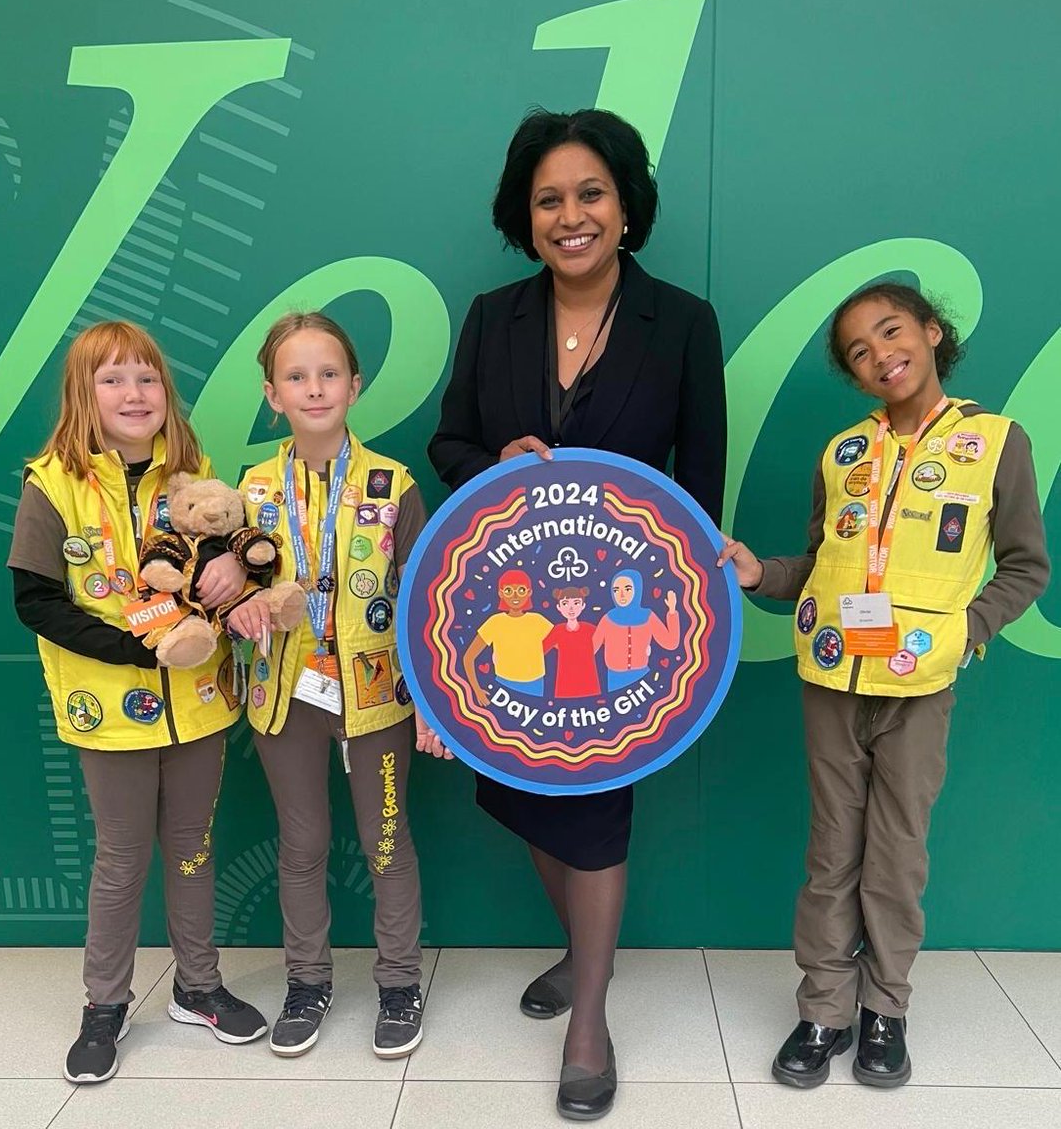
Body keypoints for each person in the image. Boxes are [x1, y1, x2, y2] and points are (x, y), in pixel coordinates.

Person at [429, 108, 726, 1120]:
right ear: (525, 214)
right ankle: (579, 952)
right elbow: (449, 445)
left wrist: (683, 614)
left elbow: (699, 486)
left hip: (621, 633)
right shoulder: (490, 315)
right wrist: (491, 463)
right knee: (521, 792)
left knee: (596, 810)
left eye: (589, 193)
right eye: (548, 198)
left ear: (624, 205)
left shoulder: (681, 321)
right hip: (510, 618)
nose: (569, 215)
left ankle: (588, 1018)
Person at [718, 283, 1050, 1090]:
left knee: (895, 855)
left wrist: (965, 630)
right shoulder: (842, 454)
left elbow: (1026, 567)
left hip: (920, 684)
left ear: (933, 332)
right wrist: (763, 572)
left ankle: (885, 1011)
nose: (879, 356)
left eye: (891, 333)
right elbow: (820, 568)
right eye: (858, 353)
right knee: (832, 850)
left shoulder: (996, 442)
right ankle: (824, 1008)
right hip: (832, 676)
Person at [8, 321, 267, 1085]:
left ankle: (198, 987)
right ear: (83, 395)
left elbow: (224, 560)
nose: (133, 393)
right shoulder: (49, 481)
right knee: (122, 858)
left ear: (166, 393)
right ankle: (104, 1006)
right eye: (113, 379)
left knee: (191, 847)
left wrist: (233, 579)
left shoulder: (193, 473)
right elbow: (35, 600)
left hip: (197, 700)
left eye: (147, 378)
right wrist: (135, 649)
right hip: (108, 705)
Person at [226, 311, 449, 1061]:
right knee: (303, 842)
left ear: (355, 386)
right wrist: (235, 607)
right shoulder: (250, 491)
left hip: (377, 694)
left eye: (328, 374)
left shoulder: (394, 484)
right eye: (296, 376)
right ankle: (307, 981)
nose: (314, 388)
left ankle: (397, 982)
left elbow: (424, 601)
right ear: (271, 394)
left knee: (387, 840)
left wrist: (429, 703)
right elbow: (223, 592)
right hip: (285, 697)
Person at [464, 568, 551, 700]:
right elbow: (468, 658)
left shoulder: (538, 621)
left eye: (521, 590)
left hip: (536, 685)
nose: (515, 596)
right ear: (501, 593)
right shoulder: (495, 622)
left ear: (529, 593)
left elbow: (565, 646)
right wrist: (477, 691)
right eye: (509, 591)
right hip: (504, 685)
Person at [591, 571, 679, 690]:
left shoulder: (648, 616)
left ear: (637, 589)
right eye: (616, 590)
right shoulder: (608, 619)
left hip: (643, 677)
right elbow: (590, 649)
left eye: (627, 589)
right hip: (616, 678)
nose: (621, 595)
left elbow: (670, 643)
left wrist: (672, 612)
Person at [544, 586, 600, 698]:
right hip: (565, 684)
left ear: (583, 606)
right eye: (565, 604)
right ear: (559, 607)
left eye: (576, 603)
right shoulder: (558, 630)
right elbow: (541, 650)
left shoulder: (590, 629)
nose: (571, 608)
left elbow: (611, 643)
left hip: (589, 683)